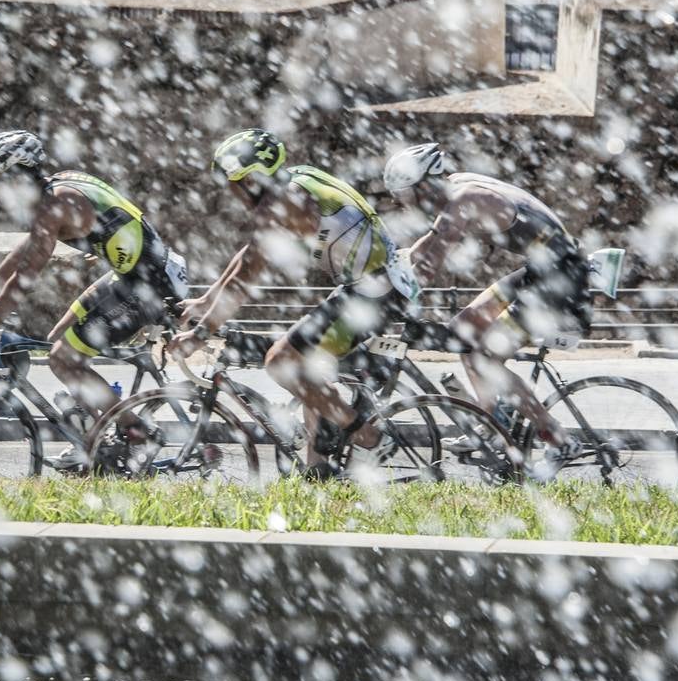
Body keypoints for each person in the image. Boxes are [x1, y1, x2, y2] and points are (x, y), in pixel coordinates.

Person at [167, 129, 415, 478]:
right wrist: (207, 300)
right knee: (310, 374)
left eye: (233, 183)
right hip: (375, 285)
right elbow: (250, 255)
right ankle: (319, 473)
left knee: (281, 360)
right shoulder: (298, 182)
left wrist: (200, 331)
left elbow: (248, 274)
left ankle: (369, 436)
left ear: (250, 179)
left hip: (373, 292)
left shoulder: (279, 205)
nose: (231, 192)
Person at [0, 130, 189, 461]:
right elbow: (30, 246)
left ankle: (138, 436)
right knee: (57, 339)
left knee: (63, 359)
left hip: (149, 286)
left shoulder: (57, 204)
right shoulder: (55, 189)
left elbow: (24, 279)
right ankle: (101, 432)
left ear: (19, 175)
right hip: (138, 275)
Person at [382, 142, 588, 467]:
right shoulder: (457, 187)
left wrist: (391, 298)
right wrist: (394, 264)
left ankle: (559, 439)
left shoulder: (465, 199)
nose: (406, 206)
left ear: (425, 184)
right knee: (465, 330)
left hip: (560, 280)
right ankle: (493, 425)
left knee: (485, 357)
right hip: (545, 270)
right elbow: (431, 242)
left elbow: (432, 259)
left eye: (407, 197)